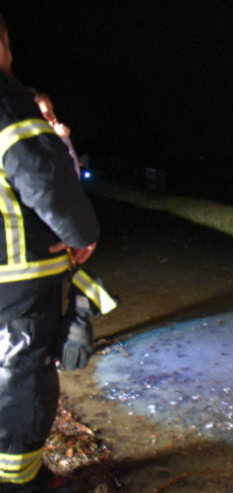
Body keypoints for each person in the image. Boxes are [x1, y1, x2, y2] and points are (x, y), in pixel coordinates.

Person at [0, 14, 100, 491]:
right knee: (24, 377)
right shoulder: (5, 99)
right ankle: (21, 482)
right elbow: (41, 178)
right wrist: (82, 232)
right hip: (15, 277)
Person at [30, 89, 83, 178]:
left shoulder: (49, 141)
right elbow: (73, 177)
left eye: (52, 111)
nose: (54, 117)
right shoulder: (34, 146)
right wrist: (64, 140)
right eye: (47, 113)